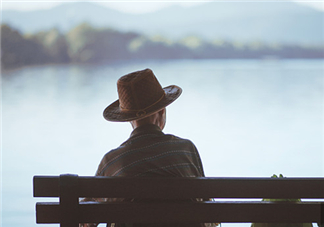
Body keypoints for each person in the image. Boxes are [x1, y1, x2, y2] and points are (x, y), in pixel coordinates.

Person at [80, 68, 205, 227]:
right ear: (162, 111)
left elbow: (86, 219)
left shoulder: (112, 163)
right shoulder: (186, 150)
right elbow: (204, 205)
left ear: (128, 119)